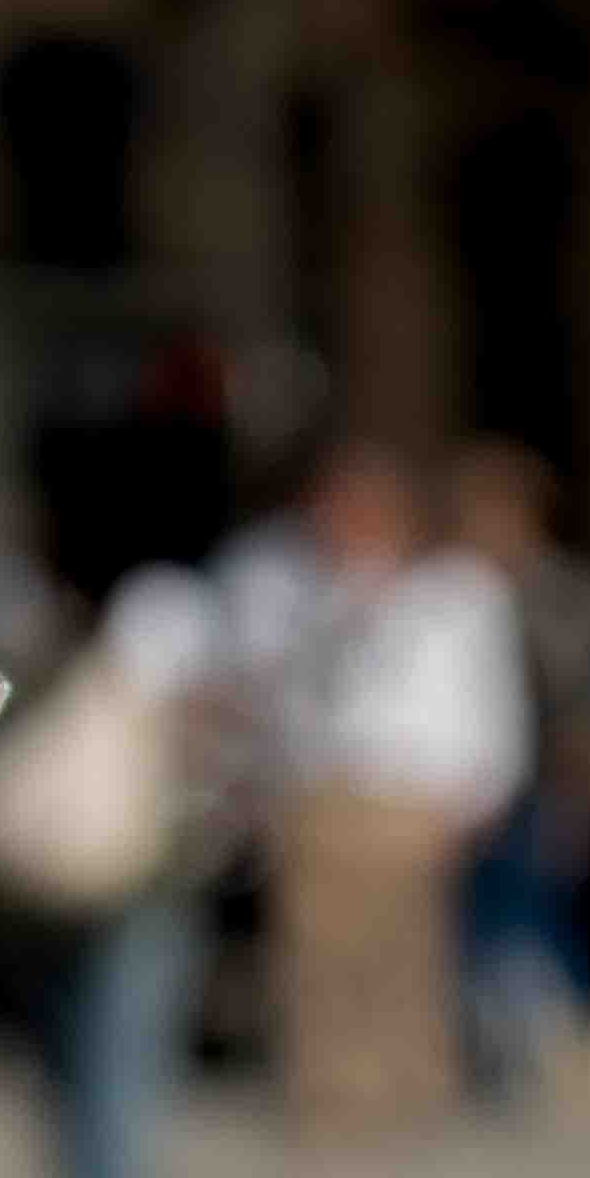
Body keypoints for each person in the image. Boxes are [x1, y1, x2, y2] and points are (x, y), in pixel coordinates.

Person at [219, 443, 526, 1140]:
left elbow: (489, 701)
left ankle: (407, 1089)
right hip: (322, 793)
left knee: (406, 952)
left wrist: (483, 792)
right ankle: (328, 1093)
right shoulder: (294, 589)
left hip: (411, 798)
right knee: (319, 954)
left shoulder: (457, 595)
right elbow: (268, 695)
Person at [0, 516, 227, 1178]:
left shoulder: (30, 647)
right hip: (130, 868)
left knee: (80, 1031)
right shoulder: (156, 646)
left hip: (48, 868)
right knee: (121, 1031)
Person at [441, 439, 590, 1104]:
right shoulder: (442, 592)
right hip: (458, 790)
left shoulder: (569, 595)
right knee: (469, 925)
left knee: (536, 921)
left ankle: (551, 1054)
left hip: (545, 787)